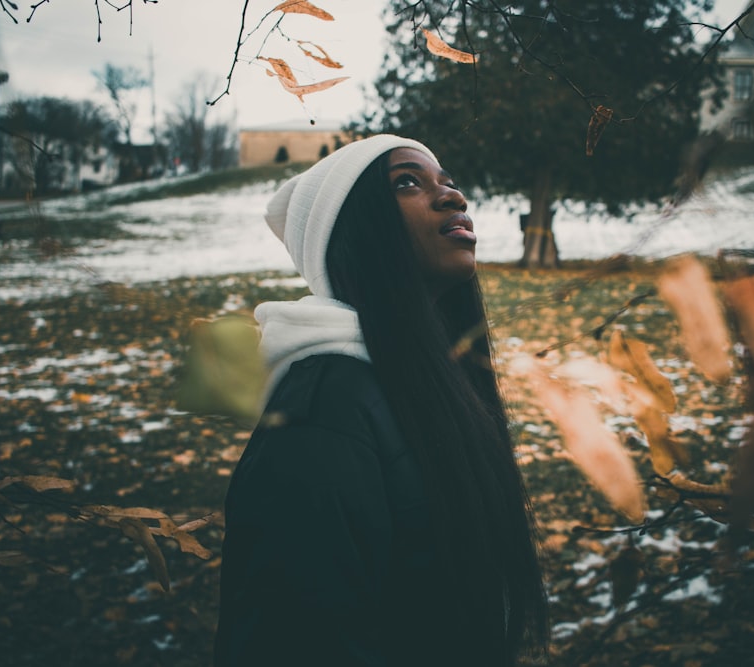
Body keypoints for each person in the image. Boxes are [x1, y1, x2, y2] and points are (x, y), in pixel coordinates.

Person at [214, 135, 548, 666]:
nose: (451, 197)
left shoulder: (430, 383)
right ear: (352, 235)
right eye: (408, 182)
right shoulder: (323, 415)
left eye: (450, 183)